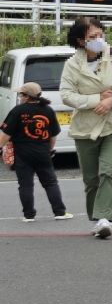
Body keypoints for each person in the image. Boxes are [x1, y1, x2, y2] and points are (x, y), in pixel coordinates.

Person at [58, 17, 112, 239]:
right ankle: (96, 219)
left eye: (100, 34)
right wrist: (96, 99)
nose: (99, 39)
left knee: (109, 170)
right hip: (85, 128)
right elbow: (66, 95)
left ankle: (105, 218)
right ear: (80, 41)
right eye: (92, 37)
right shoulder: (72, 65)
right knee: (91, 178)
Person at [1, 82, 69, 222]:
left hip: (22, 153)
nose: (20, 97)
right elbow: (53, 134)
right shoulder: (48, 110)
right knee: (50, 183)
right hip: (43, 152)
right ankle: (60, 212)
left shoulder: (18, 111)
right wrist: (49, 149)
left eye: (21, 94)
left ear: (26, 97)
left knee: (25, 184)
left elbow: (6, 134)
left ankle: (29, 215)